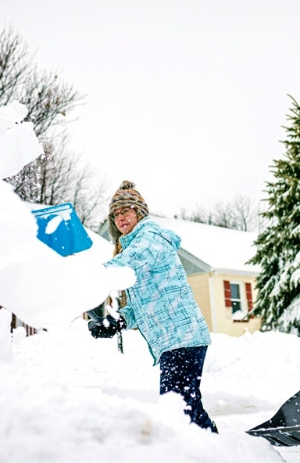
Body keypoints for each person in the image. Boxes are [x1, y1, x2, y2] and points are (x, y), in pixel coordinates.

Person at [88, 180, 217, 433]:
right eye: (115, 214)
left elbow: (126, 264)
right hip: (174, 341)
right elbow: (140, 306)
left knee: (180, 411)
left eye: (126, 211)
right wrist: (118, 321)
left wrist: (83, 277)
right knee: (184, 408)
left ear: (139, 212)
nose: (120, 218)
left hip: (183, 338)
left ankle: (210, 449)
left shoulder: (150, 238)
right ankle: (212, 447)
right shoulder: (135, 244)